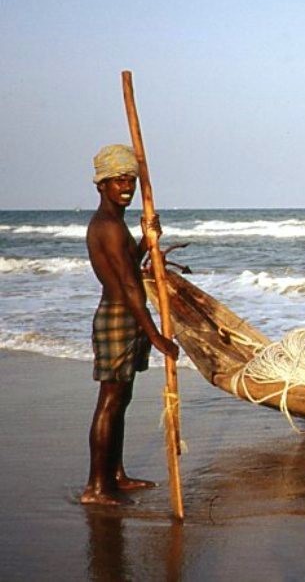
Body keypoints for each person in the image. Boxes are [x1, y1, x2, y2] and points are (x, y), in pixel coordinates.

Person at [82, 144, 179, 506]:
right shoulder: (106, 226)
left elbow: (126, 266)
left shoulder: (115, 224)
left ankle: (115, 475)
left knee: (121, 399)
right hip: (120, 314)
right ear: (101, 185)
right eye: (117, 180)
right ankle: (96, 487)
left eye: (130, 180)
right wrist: (155, 336)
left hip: (128, 313)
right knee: (110, 400)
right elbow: (125, 285)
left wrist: (146, 241)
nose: (126, 186)